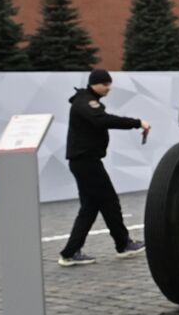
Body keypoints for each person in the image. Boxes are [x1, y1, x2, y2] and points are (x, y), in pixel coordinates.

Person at [57, 69, 149, 267]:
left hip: (84, 161)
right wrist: (136, 123)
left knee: (90, 208)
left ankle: (70, 252)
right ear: (94, 84)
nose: (109, 88)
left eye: (110, 84)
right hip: (86, 162)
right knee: (109, 202)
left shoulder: (86, 100)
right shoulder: (86, 102)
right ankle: (123, 244)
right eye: (105, 84)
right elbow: (102, 120)